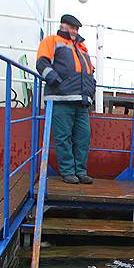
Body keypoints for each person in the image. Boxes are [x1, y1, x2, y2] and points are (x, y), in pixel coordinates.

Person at [36, 14, 96, 185]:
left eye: (76, 28)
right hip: (60, 98)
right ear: (63, 26)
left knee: (83, 137)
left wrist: (91, 88)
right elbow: (42, 63)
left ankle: (80, 171)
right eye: (71, 27)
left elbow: (89, 72)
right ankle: (68, 172)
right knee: (63, 137)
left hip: (81, 101)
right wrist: (56, 81)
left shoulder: (82, 49)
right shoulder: (51, 41)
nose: (74, 31)